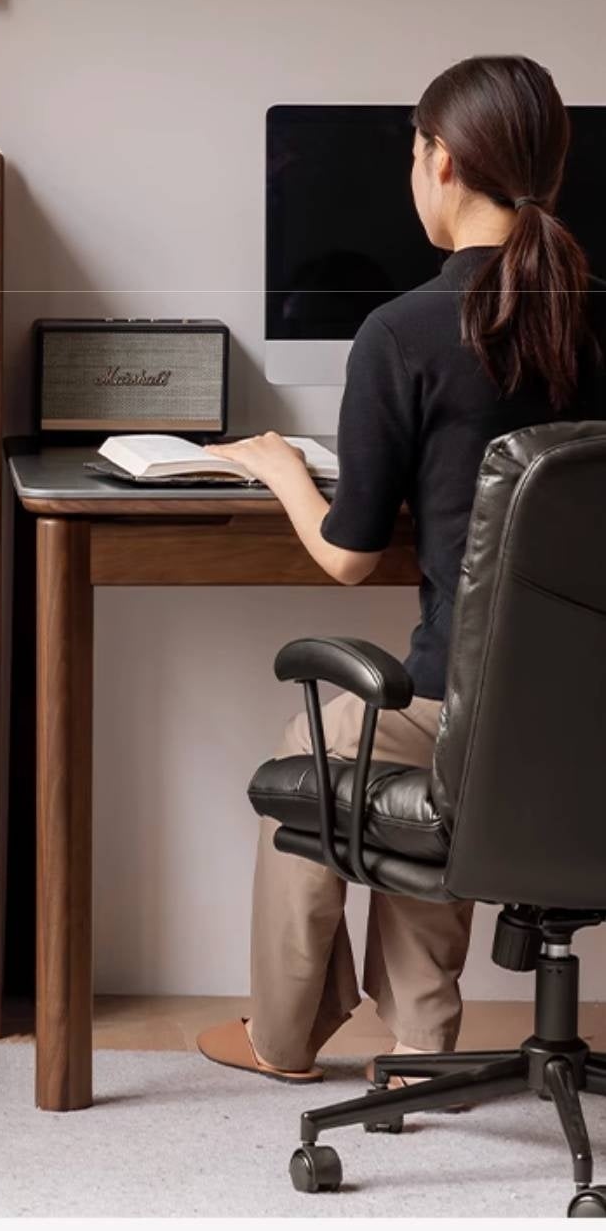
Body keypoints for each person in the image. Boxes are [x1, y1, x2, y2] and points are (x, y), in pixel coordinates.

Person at [196, 55, 606, 1083]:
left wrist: (284, 466)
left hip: (470, 717)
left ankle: (282, 1036)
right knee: (436, 733)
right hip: (588, 727)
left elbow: (346, 554)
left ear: (446, 164)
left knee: (341, 731)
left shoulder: (405, 330)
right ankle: (423, 1041)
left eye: (415, 153)